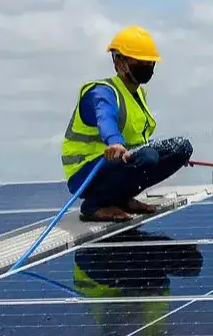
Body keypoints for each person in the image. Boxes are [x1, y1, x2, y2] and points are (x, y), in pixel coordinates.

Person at [61, 25, 194, 222]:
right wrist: (114, 142)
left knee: (181, 148)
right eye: (138, 61)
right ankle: (94, 205)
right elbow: (105, 117)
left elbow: (140, 140)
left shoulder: (138, 94)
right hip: (87, 172)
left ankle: (121, 198)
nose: (146, 66)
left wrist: (173, 157)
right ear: (118, 62)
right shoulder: (101, 92)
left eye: (149, 62)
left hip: (116, 165)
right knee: (148, 157)